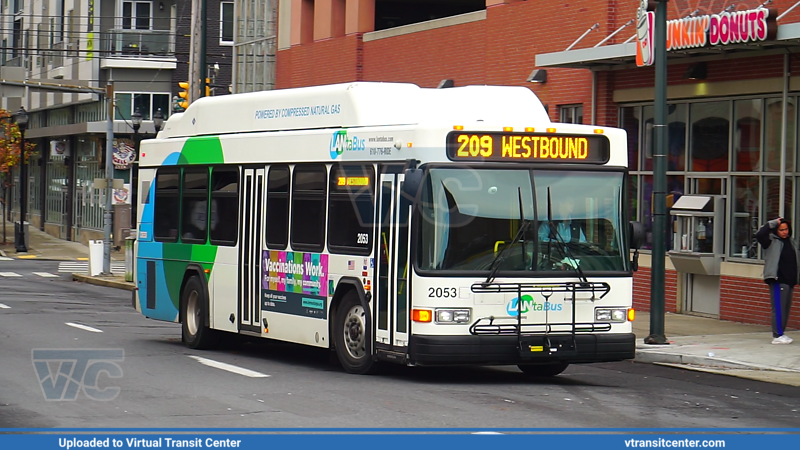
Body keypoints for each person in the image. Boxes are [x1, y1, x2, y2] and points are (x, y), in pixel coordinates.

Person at [756, 217, 797, 344]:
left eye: (786, 229)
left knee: (785, 309)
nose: (784, 232)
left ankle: (781, 333)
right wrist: (774, 223)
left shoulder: (792, 242)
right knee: (779, 308)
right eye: (781, 230)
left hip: (790, 280)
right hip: (778, 279)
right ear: (776, 231)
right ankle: (777, 334)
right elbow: (760, 234)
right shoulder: (771, 242)